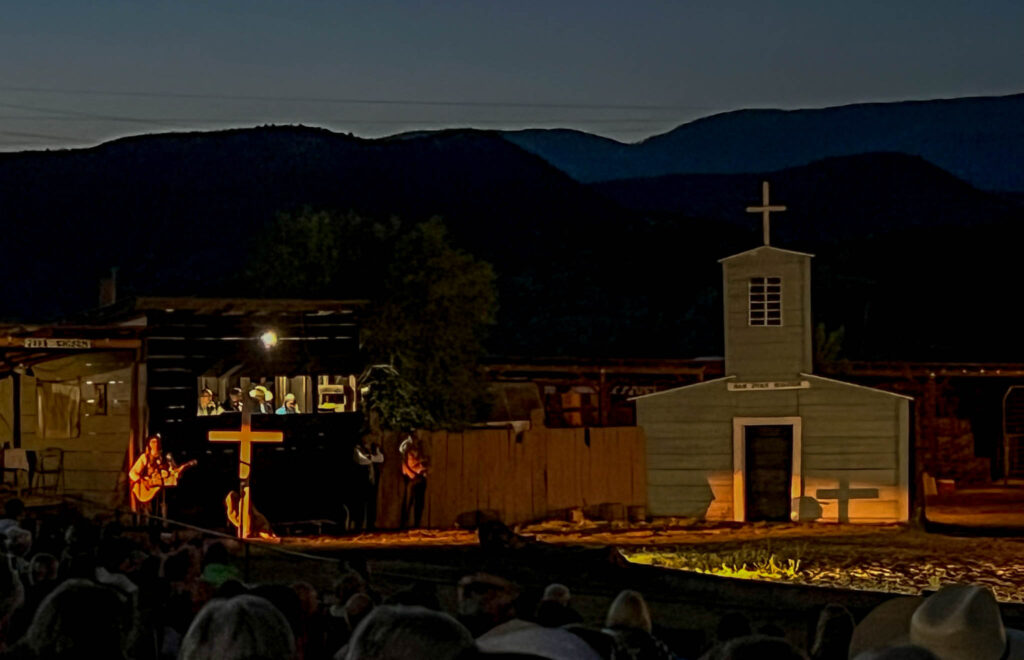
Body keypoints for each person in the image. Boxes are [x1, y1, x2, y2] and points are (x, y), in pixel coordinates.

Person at [129, 434, 170, 518]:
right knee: (149, 512)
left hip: (159, 489)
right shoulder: (145, 457)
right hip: (147, 490)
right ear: (149, 444)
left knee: (159, 510)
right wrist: (143, 481)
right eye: (153, 442)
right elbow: (132, 473)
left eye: (157, 442)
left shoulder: (163, 458)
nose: (156, 444)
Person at [352, 438, 384, 531]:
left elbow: (381, 459)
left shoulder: (370, 451)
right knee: (360, 504)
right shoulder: (357, 449)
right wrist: (371, 458)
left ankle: (371, 525)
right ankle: (359, 525)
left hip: (371, 481)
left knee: (371, 504)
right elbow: (361, 461)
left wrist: (374, 453)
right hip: (361, 483)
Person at [399, 433, 428, 529]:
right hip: (412, 478)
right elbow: (413, 463)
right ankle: (404, 524)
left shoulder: (420, 450)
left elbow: (426, 461)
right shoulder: (409, 451)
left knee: (419, 502)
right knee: (408, 501)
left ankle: (417, 524)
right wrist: (420, 466)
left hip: (420, 478)